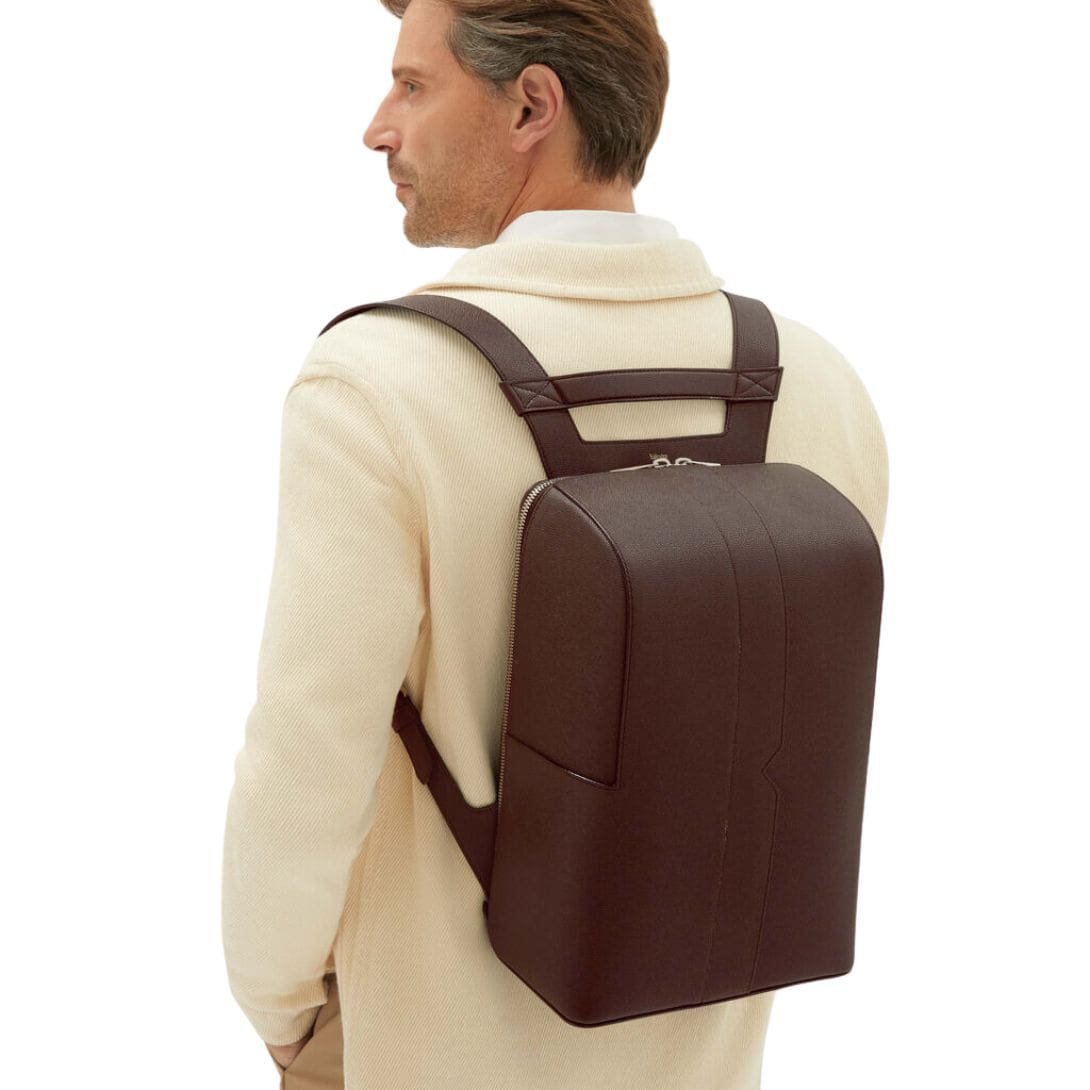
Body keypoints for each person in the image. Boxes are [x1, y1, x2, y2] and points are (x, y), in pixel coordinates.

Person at [220, 0, 890, 1087]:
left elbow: (306, 759)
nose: (378, 126)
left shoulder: (378, 385)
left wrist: (282, 1007)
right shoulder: (818, 380)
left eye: (413, 85)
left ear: (532, 104)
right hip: (704, 1053)